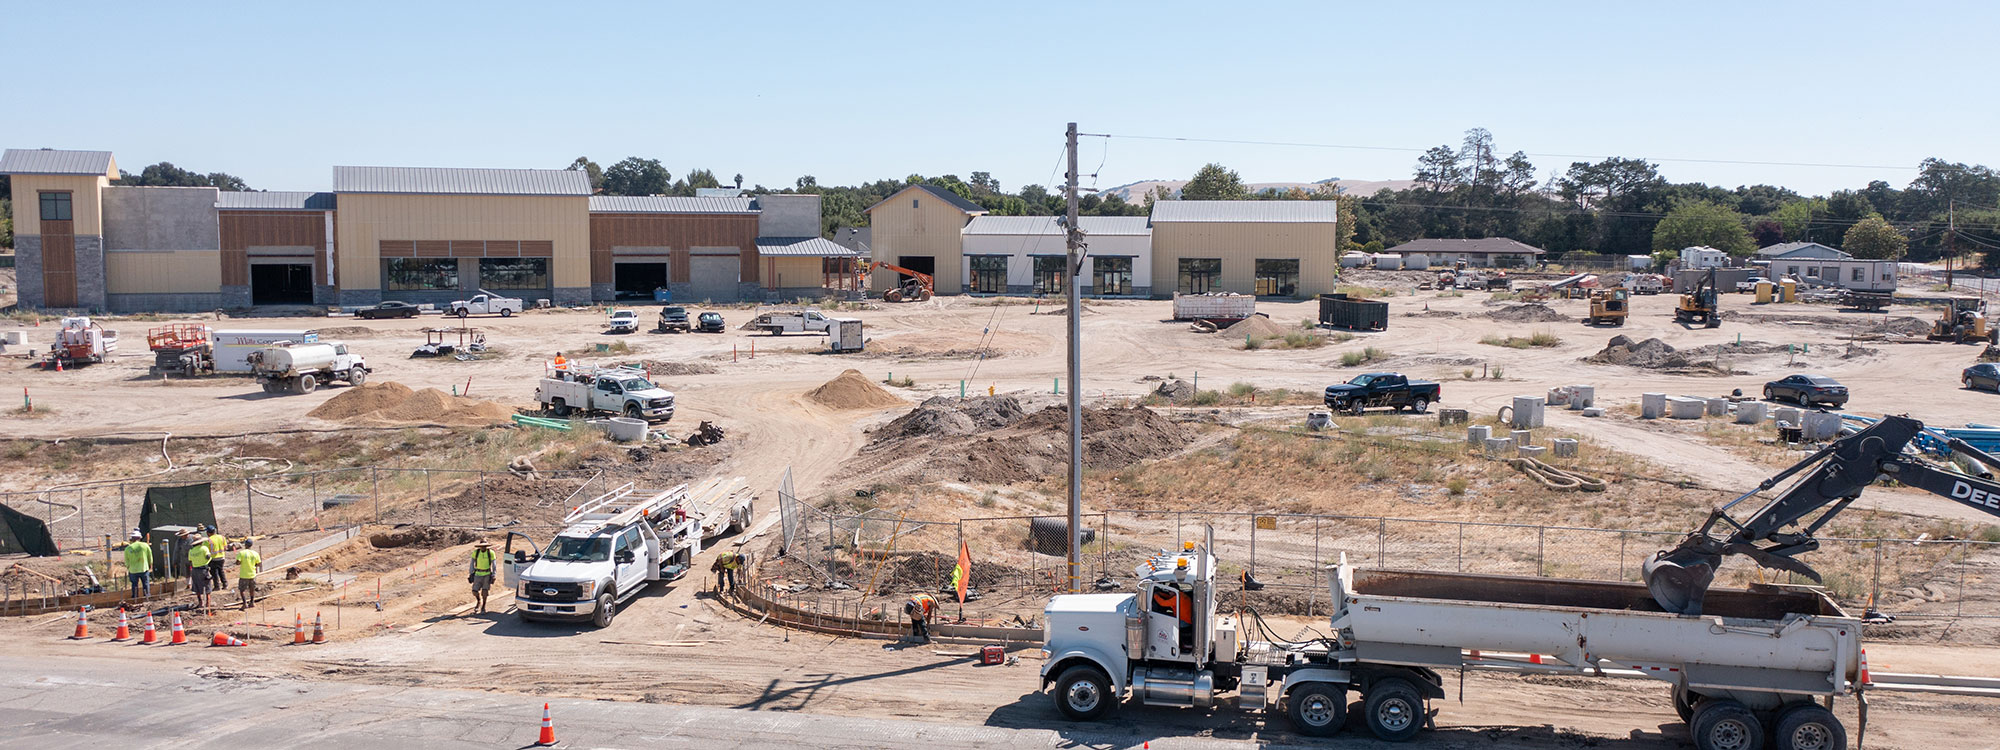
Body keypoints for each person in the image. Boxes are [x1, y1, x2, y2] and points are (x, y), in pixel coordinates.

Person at [187, 530, 214, 611]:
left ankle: (200, 602)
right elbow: (208, 557)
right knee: (207, 586)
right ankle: (208, 603)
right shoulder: (204, 548)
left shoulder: (191, 551)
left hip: (195, 570)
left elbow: (190, 561)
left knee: (197, 587)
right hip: (204, 569)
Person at [121, 531, 153, 599]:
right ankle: (147, 597)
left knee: (134, 585)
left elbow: (127, 561)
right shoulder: (145, 545)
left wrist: (128, 567)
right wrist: (150, 565)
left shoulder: (128, 549)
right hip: (143, 568)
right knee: (146, 584)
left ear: (132, 538)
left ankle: (135, 597)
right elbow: (150, 557)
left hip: (133, 570)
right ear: (139, 538)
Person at [468, 541, 496, 613]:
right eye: (482, 546)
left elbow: (494, 565)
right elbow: (472, 563)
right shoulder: (476, 553)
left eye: (484, 546)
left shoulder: (491, 553)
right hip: (477, 574)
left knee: (485, 592)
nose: (483, 548)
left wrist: (494, 575)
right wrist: (471, 573)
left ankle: (483, 606)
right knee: (474, 591)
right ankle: (478, 600)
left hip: (487, 574)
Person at [235, 538, 262, 610]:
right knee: (252, 589)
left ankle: (244, 603)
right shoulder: (255, 553)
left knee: (242, 590)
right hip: (252, 574)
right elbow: (259, 564)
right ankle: (252, 602)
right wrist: (253, 565)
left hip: (244, 575)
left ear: (245, 545)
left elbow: (238, 562)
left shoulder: (242, 553)